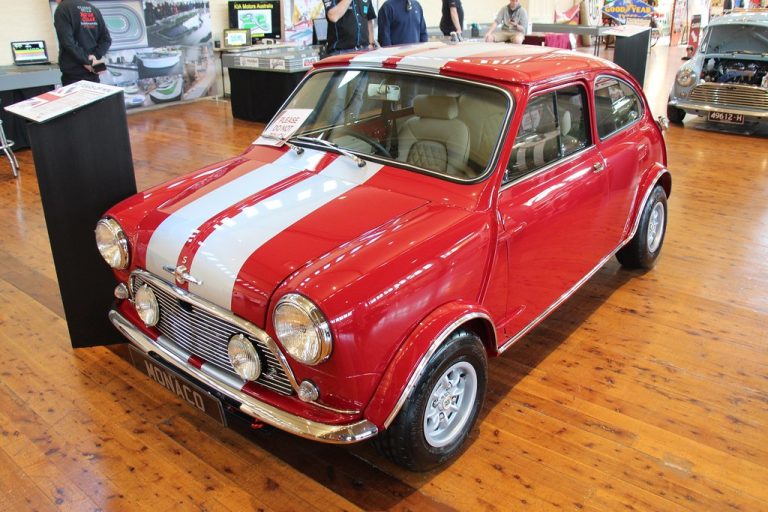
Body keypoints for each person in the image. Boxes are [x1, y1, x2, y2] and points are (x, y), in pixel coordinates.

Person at [54, 0, 112, 86]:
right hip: (93, 70)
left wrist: (86, 61)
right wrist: (94, 57)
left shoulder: (62, 8)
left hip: (74, 74)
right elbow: (106, 40)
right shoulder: (93, 8)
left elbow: (67, 42)